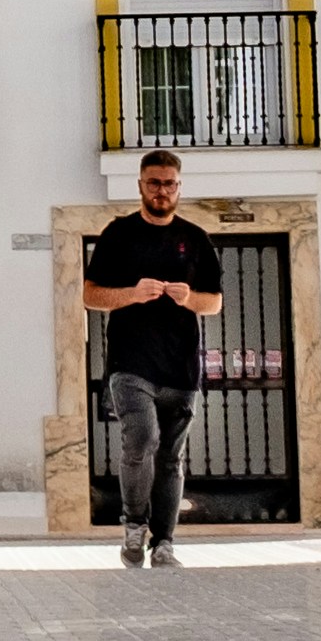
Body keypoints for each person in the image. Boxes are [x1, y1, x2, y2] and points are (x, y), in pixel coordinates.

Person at [80, 150, 222, 567]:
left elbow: (213, 303)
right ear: (140, 185)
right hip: (130, 365)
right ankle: (133, 527)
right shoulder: (118, 234)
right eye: (155, 183)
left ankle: (165, 543)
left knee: (171, 457)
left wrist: (188, 298)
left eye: (170, 183)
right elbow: (90, 296)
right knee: (141, 439)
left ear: (179, 186)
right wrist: (132, 294)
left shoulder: (195, 239)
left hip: (180, 369)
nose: (162, 191)